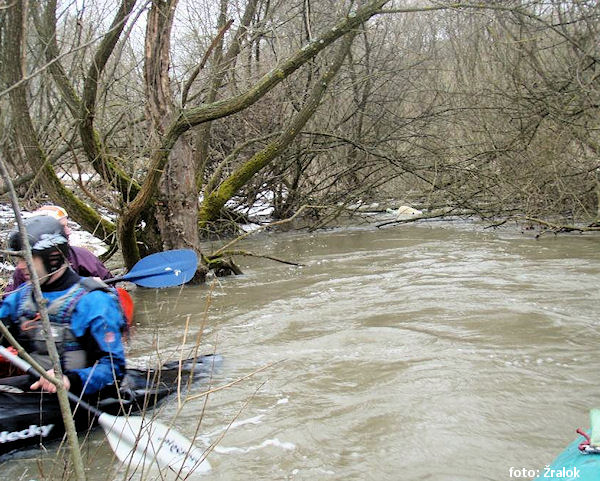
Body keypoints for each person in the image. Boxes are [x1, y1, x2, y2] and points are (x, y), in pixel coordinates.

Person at [0, 216, 126, 395]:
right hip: (37, 388)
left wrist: (68, 379)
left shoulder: (94, 301)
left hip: (81, 395)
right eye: (18, 259)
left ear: (53, 257)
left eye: (27, 258)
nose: (20, 266)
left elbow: (114, 368)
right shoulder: (21, 296)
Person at [3, 205, 112, 296]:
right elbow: (9, 299)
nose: (68, 232)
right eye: (63, 227)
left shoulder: (82, 257)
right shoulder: (22, 272)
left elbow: (111, 285)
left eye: (67, 226)